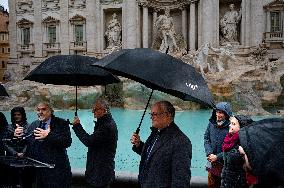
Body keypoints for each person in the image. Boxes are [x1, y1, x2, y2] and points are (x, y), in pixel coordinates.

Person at [131, 101, 192, 188]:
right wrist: (138, 144)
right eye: (151, 114)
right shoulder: (156, 132)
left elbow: (180, 180)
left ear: (167, 115)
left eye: (154, 114)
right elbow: (153, 155)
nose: (151, 117)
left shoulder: (181, 142)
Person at [72, 98, 118, 188]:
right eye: (93, 108)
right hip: (101, 172)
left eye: (96, 109)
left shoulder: (106, 127)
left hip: (100, 174)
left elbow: (89, 141)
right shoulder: (105, 123)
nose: (93, 111)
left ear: (104, 110)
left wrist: (77, 126)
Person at [26, 102, 72, 188]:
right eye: (38, 110)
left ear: (50, 111)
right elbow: (27, 141)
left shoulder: (61, 123)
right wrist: (17, 136)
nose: (40, 112)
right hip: (39, 169)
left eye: (43, 109)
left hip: (56, 169)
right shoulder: (34, 124)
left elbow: (67, 142)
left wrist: (49, 135)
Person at [3, 106, 34, 188]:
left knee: (26, 181)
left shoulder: (29, 126)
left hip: (25, 158)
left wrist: (23, 152)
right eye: (14, 115)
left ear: (22, 115)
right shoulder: (8, 127)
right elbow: (5, 142)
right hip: (12, 158)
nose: (16, 116)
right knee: (12, 181)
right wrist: (15, 153)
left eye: (18, 114)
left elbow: (30, 142)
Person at [204, 102, 232, 188]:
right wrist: (209, 153)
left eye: (221, 112)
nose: (218, 114)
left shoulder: (231, 128)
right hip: (212, 164)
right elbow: (206, 138)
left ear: (226, 114)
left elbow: (232, 148)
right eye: (217, 112)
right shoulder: (211, 123)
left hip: (226, 166)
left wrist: (217, 157)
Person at [220, 115, 254, 188]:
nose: (229, 125)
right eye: (230, 123)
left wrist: (244, 154)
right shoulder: (229, 139)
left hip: (239, 183)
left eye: (233, 124)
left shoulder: (245, 144)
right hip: (226, 180)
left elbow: (250, 167)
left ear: (241, 128)